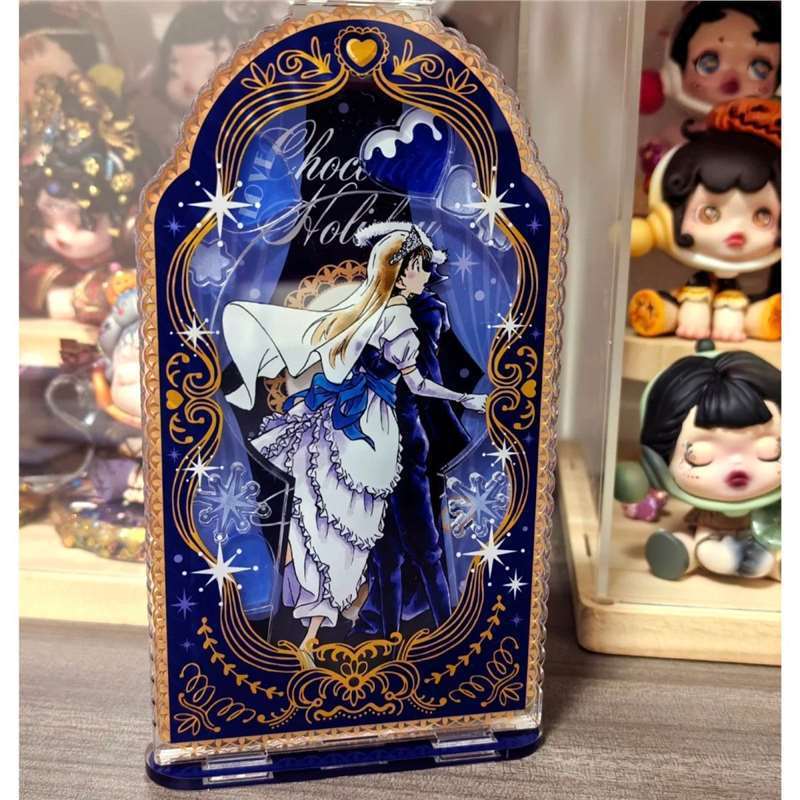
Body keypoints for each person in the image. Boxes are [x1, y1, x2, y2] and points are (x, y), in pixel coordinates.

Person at [223, 224, 487, 657]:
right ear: (400, 271)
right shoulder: (401, 317)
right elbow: (418, 384)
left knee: (374, 540)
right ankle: (437, 634)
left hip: (358, 427)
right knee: (401, 542)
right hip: (383, 433)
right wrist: (464, 399)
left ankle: (380, 634)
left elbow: (345, 364)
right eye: (421, 267)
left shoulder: (368, 310)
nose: (427, 275)